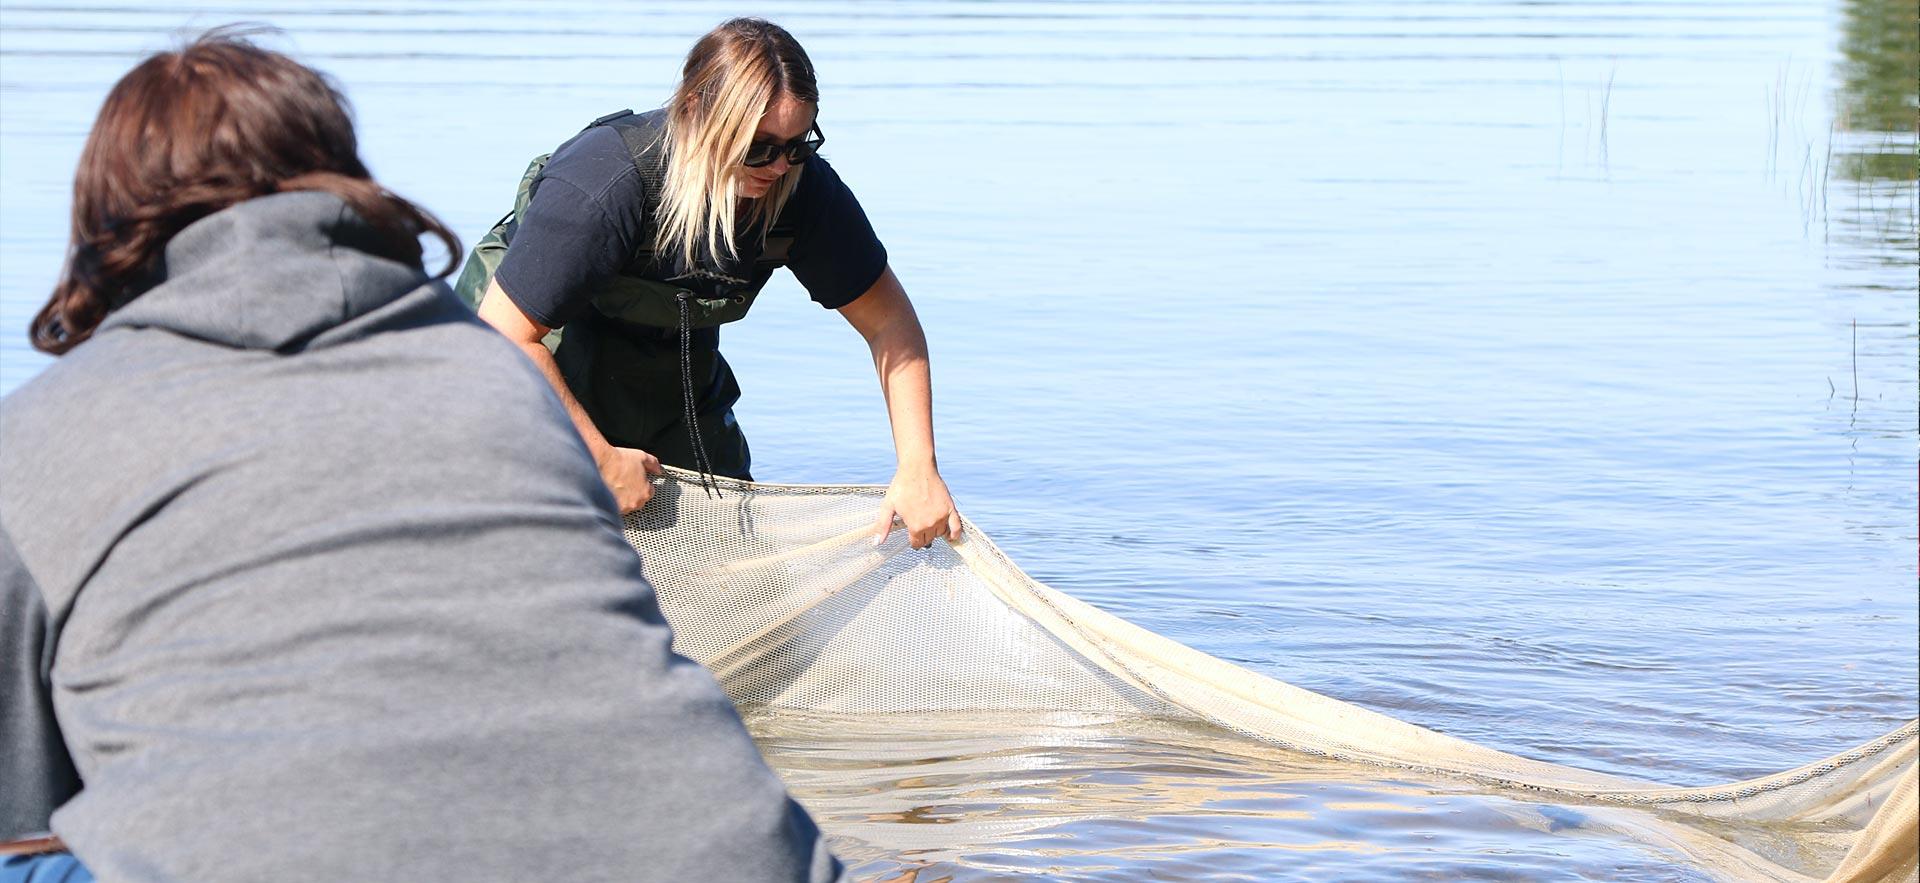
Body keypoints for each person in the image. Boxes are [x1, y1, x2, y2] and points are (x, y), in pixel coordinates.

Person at [0, 30, 843, 883]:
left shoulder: (42, 434)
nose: (776, 164)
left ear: (112, 218)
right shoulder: (495, 394)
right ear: (349, 191)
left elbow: (21, 810)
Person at [456, 17, 961, 549]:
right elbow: (505, 337)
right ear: (697, 114)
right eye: (758, 146)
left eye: (798, 144)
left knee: (736, 570)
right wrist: (599, 456)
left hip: (674, 375)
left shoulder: (803, 190)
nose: (779, 165)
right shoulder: (606, 181)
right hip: (526, 368)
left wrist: (918, 467)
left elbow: (890, 324)